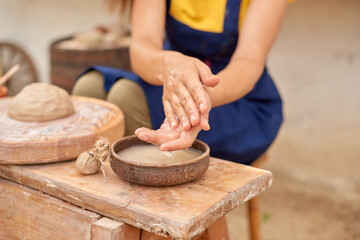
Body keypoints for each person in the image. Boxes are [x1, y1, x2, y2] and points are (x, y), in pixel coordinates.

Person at [73, 0, 288, 165]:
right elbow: (142, 47)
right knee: (91, 87)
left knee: (125, 97)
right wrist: (166, 63)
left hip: (234, 97)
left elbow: (248, 62)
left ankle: (183, 215)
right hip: (172, 80)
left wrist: (198, 99)